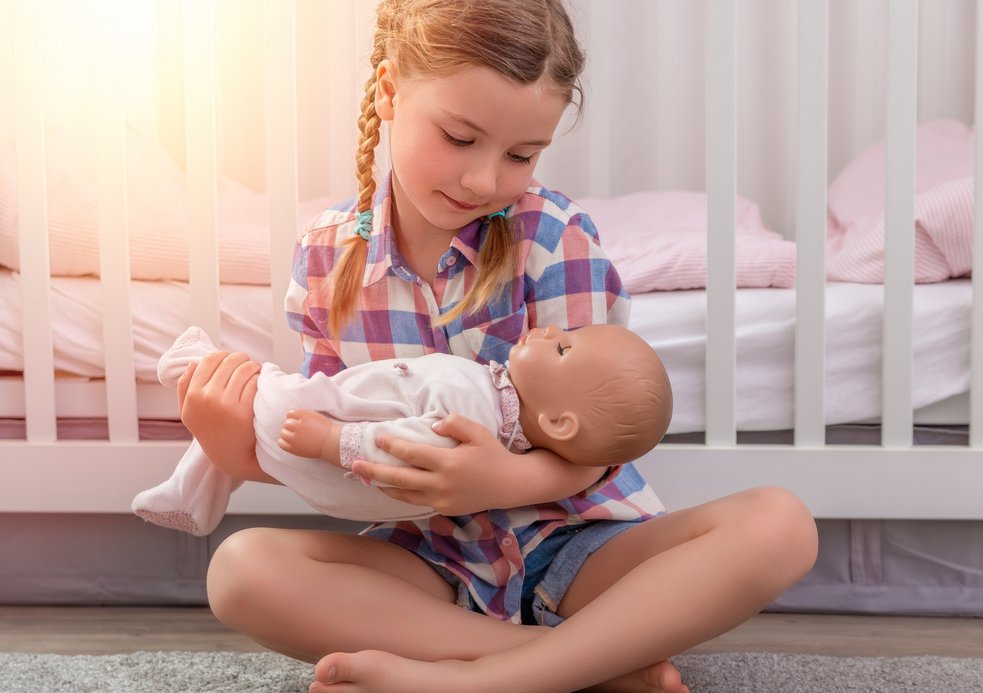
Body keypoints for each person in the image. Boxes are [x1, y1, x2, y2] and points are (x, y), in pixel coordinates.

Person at [177, 1, 819, 691]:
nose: (483, 180)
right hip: (427, 559)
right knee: (241, 570)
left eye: (521, 155)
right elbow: (333, 443)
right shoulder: (328, 256)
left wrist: (504, 482)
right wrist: (242, 456)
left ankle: (482, 679)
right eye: (459, 138)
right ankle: (584, 663)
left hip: (582, 548)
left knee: (780, 524)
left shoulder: (554, 238)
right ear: (389, 92)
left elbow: (598, 440)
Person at [132, 322, 673, 536]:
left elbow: (403, 450)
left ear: (558, 422)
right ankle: (191, 489)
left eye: (563, 347)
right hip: (330, 434)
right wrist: (237, 456)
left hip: (329, 438)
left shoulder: (482, 416)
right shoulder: (499, 402)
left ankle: (193, 359)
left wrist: (330, 441)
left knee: (269, 396)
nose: (552, 330)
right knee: (243, 569)